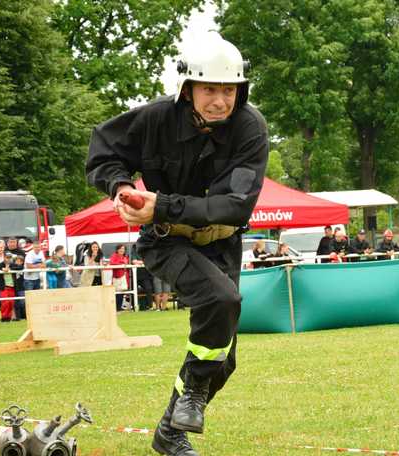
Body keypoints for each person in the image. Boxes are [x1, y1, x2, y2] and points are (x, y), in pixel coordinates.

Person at [86, 32, 268, 456]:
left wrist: (162, 204)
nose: (220, 100)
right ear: (187, 89)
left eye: (229, 90)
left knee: (225, 358)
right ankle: (192, 397)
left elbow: (237, 205)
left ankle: (170, 431)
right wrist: (119, 187)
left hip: (221, 242)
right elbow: (103, 151)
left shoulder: (250, 129)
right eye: (210, 89)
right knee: (223, 300)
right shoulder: (154, 120)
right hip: (165, 241)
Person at [0, 253, 17, 322]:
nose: (8, 259)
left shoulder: (13, 264)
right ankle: (4, 318)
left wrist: (9, 269)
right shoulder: (0, 265)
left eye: (9, 258)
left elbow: (20, 267)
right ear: (4, 257)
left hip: (12, 286)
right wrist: (2, 269)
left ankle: (8, 317)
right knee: (5, 302)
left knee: (11, 303)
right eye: (7, 257)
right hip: (3, 287)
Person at [110, 244, 130, 311]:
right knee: (117, 292)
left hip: (124, 276)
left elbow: (127, 264)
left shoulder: (125, 256)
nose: (122, 250)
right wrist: (121, 263)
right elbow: (112, 263)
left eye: (123, 249)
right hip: (116, 277)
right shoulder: (114, 255)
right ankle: (116, 307)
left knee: (122, 291)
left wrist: (123, 263)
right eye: (120, 248)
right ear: (117, 250)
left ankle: (119, 307)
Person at [11, 255, 27, 320]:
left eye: (20, 261)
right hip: (14, 287)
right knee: (15, 303)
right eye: (17, 261)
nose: (18, 262)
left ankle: (24, 316)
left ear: (22, 262)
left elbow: (19, 268)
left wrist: (14, 268)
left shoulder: (22, 267)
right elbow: (12, 267)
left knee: (22, 302)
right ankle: (17, 317)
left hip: (21, 287)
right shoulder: (13, 266)